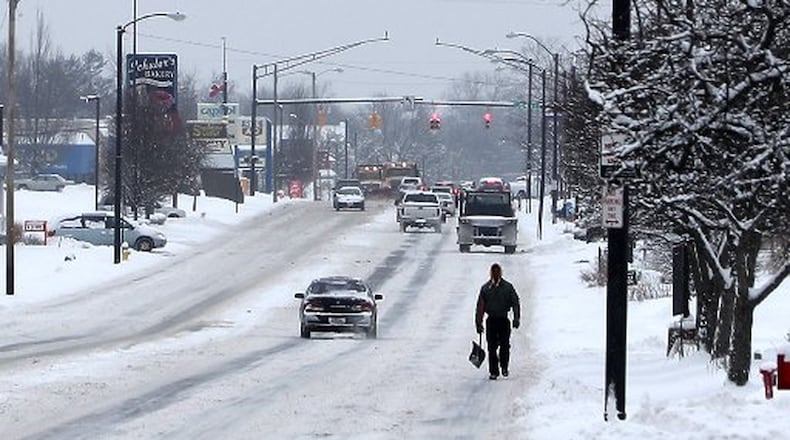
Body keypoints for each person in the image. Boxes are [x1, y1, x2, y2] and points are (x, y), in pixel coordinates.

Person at [475, 263, 521, 380]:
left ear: (500, 273)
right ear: (491, 273)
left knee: (505, 345)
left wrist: (516, 318)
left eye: (497, 272)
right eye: (493, 272)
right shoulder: (485, 288)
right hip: (491, 321)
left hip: (503, 320)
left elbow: (515, 302)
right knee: (491, 347)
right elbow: (480, 307)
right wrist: (478, 323)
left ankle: (504, 366)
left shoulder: (507, 287)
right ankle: (494, 371)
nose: (495, 274)